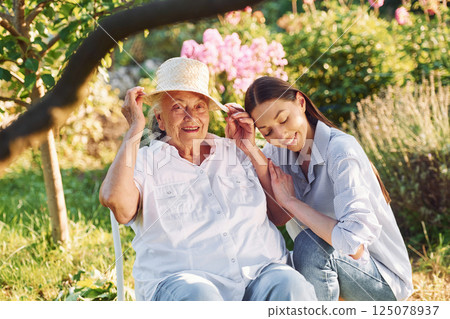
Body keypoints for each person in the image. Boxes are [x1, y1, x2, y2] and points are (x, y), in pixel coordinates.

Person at [99, 58, 316, 301]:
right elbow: (115, 201)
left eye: (199, 107)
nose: (191, 117)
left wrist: (250, 148)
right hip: (187, 286)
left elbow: (279, 215)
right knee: (200, 297)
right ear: (160, 119)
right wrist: (134, 130)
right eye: (178, 108)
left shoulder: (237, 150)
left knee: (289, 283)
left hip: (261, 274)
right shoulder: (146, 162)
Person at [225, 76, 413, 301]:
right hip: (332, 266)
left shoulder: (341, 150)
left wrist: (292, 202)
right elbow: (274, 215)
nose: (281, 135)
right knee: (277, 271)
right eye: (267, 131)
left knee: (310, 244)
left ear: (301, 103)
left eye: (284, 119)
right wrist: (250, 149)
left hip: (380, 281)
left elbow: (353, 245)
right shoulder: (276, 154)